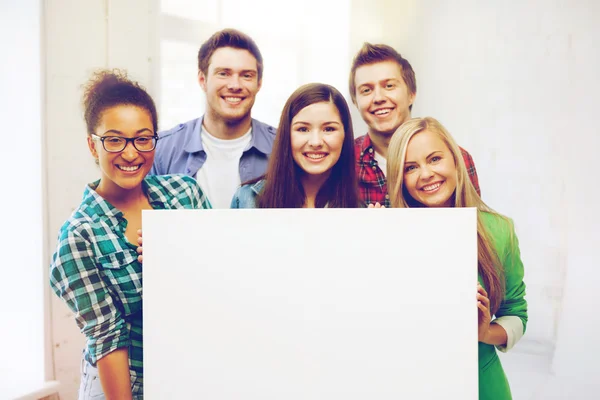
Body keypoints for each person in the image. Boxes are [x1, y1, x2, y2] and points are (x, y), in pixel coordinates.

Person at [49, 70, 211, 399]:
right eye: (114, 139)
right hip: (125, 382)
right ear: (92, 145)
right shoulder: (80, 235)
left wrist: (179, 255)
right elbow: (108, 340)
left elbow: (220, 274)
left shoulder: (185, 194)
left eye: (142, 138)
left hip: (186, 369)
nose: (131, 152)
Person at [386, 116, 527, 399]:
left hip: (481, 383)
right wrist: (373, 242)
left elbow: (516, 313)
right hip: (408, 383)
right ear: (399, 178)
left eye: (434, 159)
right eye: (410, 167)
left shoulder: (499, 230)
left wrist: (485, 333)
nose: (425, 174)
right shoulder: (387, 235)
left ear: (454, 160)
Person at [151, 28, 276, 208]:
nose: (235, 85)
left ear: (259, 83)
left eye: (246, 75)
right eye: (223, 73)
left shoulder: (283, 147)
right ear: (203, 80)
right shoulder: (162, 150)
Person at [349, 43, 481, 207]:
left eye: (389, 86)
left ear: (411, 94)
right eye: (366, 90)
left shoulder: (456, 159)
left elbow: (471, 226)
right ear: (355, 101)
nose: (378, 98)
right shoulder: (344, 162)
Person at [230, 83, 361, 208]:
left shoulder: (360, 211)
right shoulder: (247, 199)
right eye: (303, 129)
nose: (315, 142)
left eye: (329, 129)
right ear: (287, 134)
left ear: (345, 134)